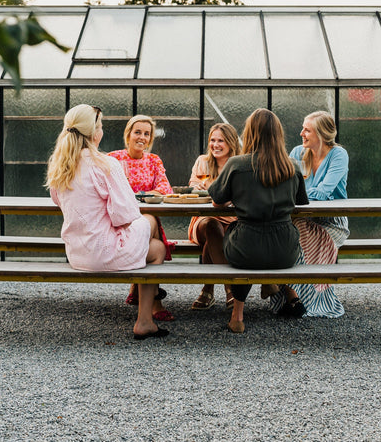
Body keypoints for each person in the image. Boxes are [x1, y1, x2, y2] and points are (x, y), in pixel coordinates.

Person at [46, 104, 169, 340]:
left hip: (77, 254)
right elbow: (124, 216)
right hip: (104, 253)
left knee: (147, 231)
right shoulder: (104, 164)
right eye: (100, 126)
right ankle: (145, 320)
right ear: (94, 133)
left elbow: (59, 202)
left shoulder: (60, 166)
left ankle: (140, 296)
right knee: (156, 242)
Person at [208, 109, 308, 333]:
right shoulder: (292, 166)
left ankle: (237, 314)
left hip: (247, 247)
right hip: (285, 251)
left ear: (250, 133)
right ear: (278, 135)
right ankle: (272, 285)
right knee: (255, 248)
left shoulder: (236, 164)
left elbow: (216, 200)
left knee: (222, 232)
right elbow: (300, 201)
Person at [267, 110, 349, 318]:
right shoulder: (297, 153)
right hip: (300, 218)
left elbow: (323, 192)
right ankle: (292, 296)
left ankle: (294, 294)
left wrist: (299, 192)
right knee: (282, 232)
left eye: (307, 130)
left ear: (321, 134)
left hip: (331, 222)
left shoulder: (338, 155)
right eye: (303, 128)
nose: (301, 133)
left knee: (293, 232)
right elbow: (283, 185)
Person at [108, 114, 174, 321]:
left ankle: (137, 289)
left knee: (149, 220)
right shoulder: (113, 159)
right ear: (128, 134)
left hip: (145, 215)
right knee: (151, 229)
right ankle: (154, 301)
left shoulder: (154, 160)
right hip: (121, 220)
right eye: (138, 132)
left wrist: (142, 196)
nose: (142, 137)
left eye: (147, 134)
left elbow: (165, 187)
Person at [187, 123, 240, 311]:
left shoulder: (238, 163)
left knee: (215, 237)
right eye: (212, 140)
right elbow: (192, 188)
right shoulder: (202, 161)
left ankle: (207, 290)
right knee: (211, 226)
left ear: (231, 143)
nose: (215, 145)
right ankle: (230, 289)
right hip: (203, 220)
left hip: (230, 221)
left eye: (221, 141)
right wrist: (196, 189)